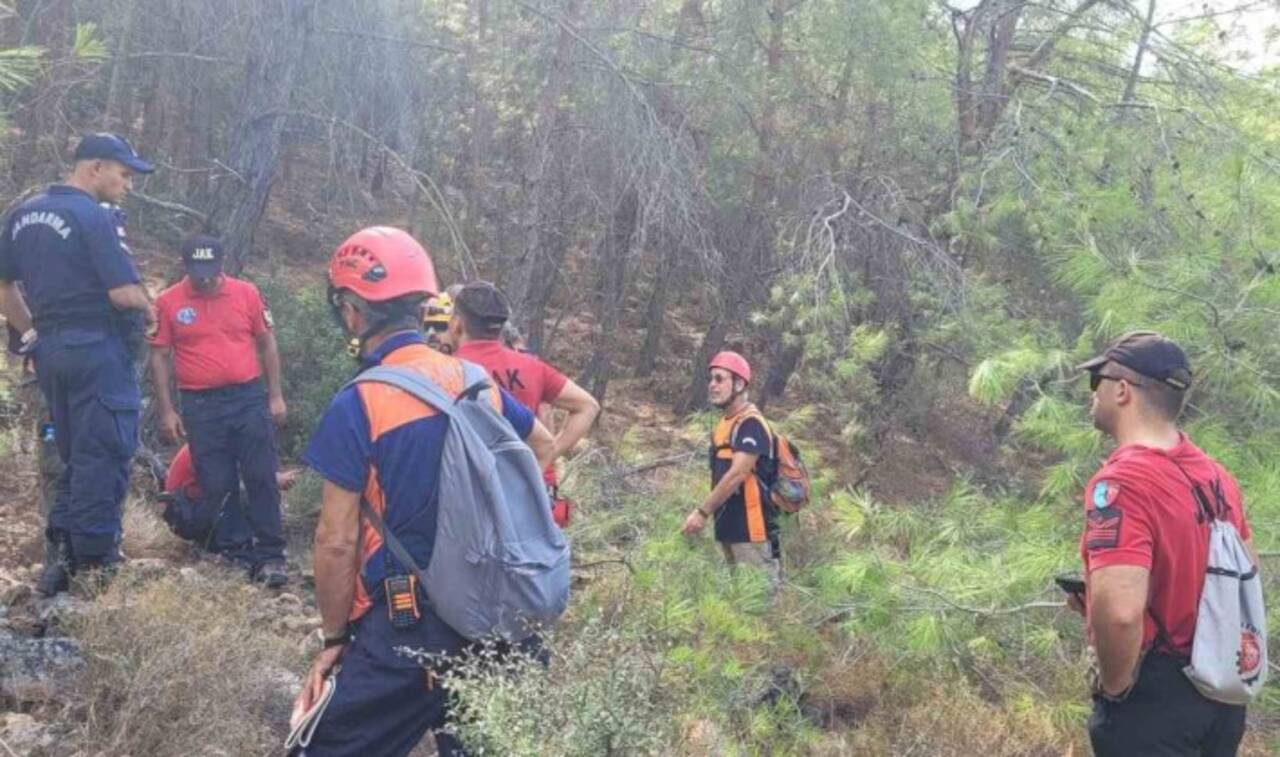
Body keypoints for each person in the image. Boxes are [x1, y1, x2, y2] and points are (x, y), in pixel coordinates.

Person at [291, 227, 554, 757]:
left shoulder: (360, 401)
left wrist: (334, 640)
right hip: (504, 617)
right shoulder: (474, 379)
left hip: (411, 630)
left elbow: (336, 542)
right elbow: (543, 446)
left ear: (352, 312)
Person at [1072, 330, 1256, 756]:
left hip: (1154, 699)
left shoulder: (1123, 483)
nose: (1091, 394)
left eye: (1095, 380)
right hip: (1220, 696)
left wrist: (1117, 687)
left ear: (1122, 390)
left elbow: (1120, 615)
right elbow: (1245, 571)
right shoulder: (1217, 476)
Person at [0, 132, 156, 595]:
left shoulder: (21, 214)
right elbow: (122, 293)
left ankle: (60, 562)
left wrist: (31, 333)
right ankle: (96, 566)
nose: (127, 184)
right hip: (97, 349)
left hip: (50, 352)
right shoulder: (92, 215)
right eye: (123, 174)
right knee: (105, 453)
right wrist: (151, 307)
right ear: (95, 168)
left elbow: (4, 288)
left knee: (74, 456)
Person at [148, 235, 290, 586]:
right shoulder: (168, 302)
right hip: (200, 403)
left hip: (246, 396)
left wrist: (275, 395)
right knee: (217, 480)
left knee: (261, 475)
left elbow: (267, 342)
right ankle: (237, 552)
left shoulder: (247, 293)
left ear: (222, 264)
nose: (206, 279)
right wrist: (167, 410)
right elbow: (159, 356)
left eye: (211, 271)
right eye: (198, 273)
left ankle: (271, 554)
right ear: (185, 267)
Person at [447, 281, 599, 525]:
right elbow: (587, 406)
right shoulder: (531, 367)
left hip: (466, 496)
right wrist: (549, 453)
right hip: (527, 490)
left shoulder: (445, 369)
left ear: (457, 324)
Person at [681, 351, 782, 591]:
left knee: (757, 608)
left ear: (738, 384)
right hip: (727, 529)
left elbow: (737, 474)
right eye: (711, 379)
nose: (712, 386)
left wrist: (702, 512)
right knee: (735, 606)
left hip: (753, 533)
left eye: (719, 379)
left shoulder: (751, 423)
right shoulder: (725, 424)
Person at [160, 442, 299, 544]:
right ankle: (242, 545)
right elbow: (224, 486)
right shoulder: (212, 445)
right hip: (185, 514)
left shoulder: (213, 440)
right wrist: (272, 481)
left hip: (190, 507)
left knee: (260, 489)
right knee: (258, 493)